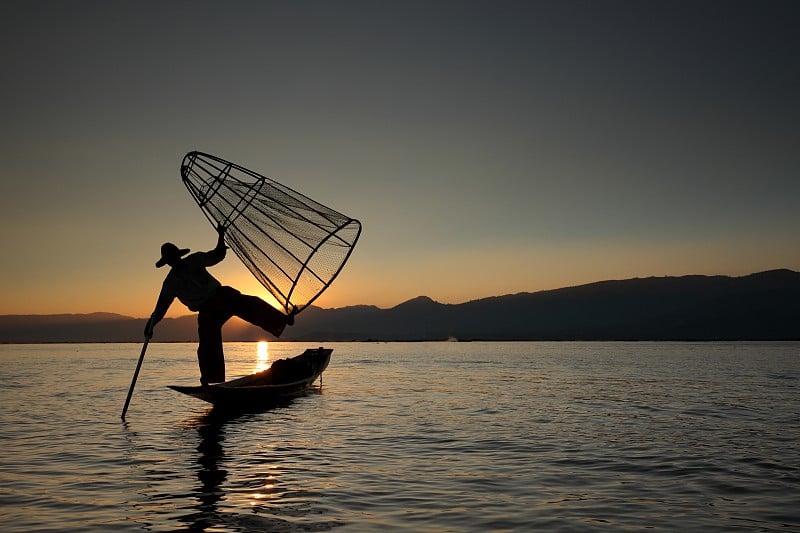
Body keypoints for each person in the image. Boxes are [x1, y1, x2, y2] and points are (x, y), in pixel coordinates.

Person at [144, 225, 295, 385]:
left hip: (221, 295)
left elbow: (216, 255)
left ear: (177, 255)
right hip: (207, 310)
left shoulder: (194, 260)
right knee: (208, 341)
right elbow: (161, 308)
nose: (174, 260)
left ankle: (282, 320)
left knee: (251, 304)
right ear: (168, 262)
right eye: (171, 258)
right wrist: (150, 325)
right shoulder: (170, 283)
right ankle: (210, 379)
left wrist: (221, 236)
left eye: (174, 256)